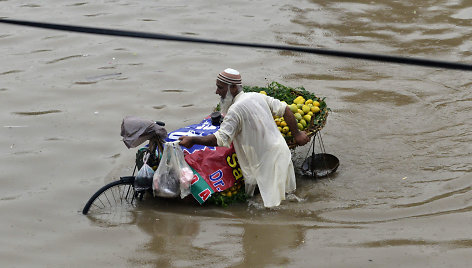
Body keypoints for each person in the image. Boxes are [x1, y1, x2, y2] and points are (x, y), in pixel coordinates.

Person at [179, 68, 309, 207]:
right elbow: (286, 109)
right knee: (288, 199)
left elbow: (220, 139)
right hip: (281, 153)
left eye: (220, 88)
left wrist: (193, 140)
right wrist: (297, 134)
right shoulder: (257, 96)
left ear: (233, 88)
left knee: (271, 209)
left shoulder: (235, 110)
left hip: (268, 163)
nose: (217, 92)